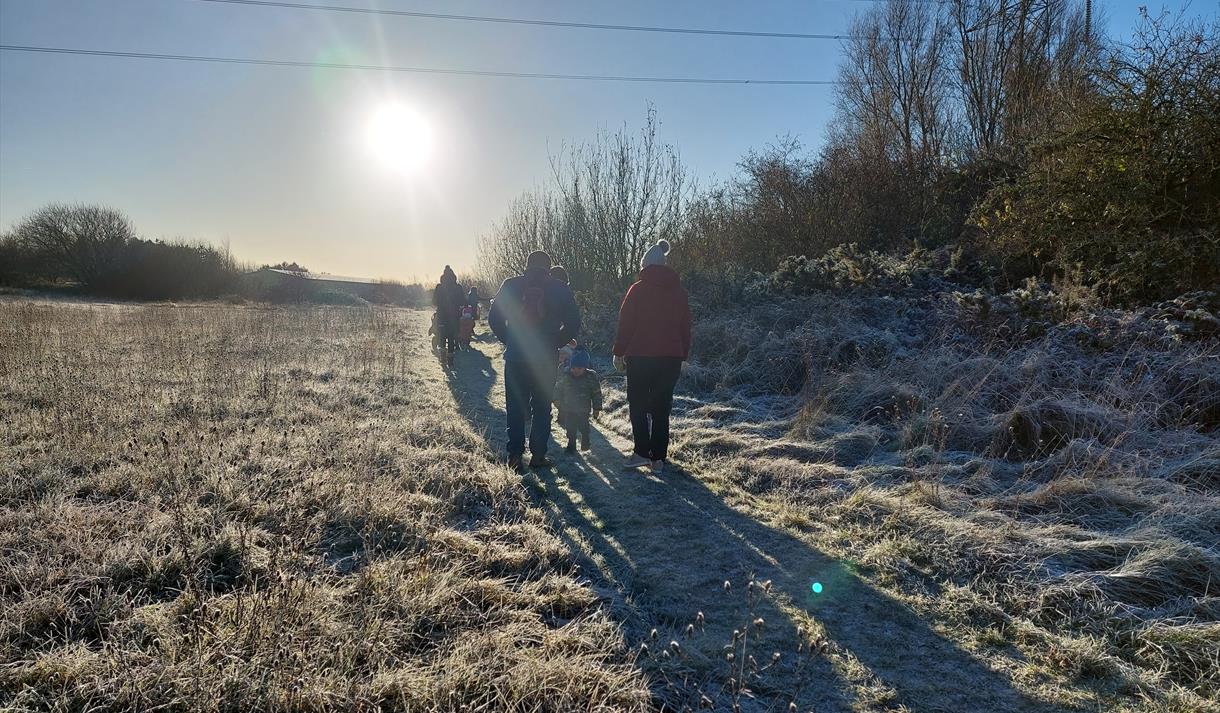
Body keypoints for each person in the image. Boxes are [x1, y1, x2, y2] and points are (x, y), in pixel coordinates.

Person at [489, 251, 581, 471]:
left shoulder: (511, 285)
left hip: (516, 357)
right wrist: (556, 342)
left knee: (515, 407)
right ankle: (538, 455)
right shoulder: (560, 288)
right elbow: (574, 322)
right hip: (545, 359)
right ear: (548, 268)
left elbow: (494, 319)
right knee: (541, 407)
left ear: (526, 266)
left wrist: (509, 339)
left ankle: (514, 456)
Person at [612, 239, 691, 474]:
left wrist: (618, 352)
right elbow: (685, 326)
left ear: (645, 265)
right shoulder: (679, 292)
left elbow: (626, 323)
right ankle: (658, 459)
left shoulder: (637, 290)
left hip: (640, 356)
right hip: (670, 357)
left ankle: (641, 453)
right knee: (661, 406)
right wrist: (682, 354)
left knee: (637, 404)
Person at [554, 349, 602, 454]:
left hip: (584, 409)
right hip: (569, 408)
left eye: (579, 368)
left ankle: (585, 439)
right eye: (573, 368)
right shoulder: (566, 376)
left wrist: (597, 408)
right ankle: (571, 445)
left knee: (583, 425)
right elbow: (557, 388)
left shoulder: (591, 377)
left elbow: (596, 393)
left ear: (585, 367)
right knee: (570, 427)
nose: (576, 370)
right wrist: (556, 400)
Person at [433, 266, 466, 366]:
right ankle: (450, 359)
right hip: (454, 316)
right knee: (452, 337)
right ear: (453, 276)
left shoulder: (439, 287)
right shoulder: (458, 287)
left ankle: (443, 357)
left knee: (442, 335)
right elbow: (463, 301)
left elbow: (434, 301)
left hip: (441, 315)